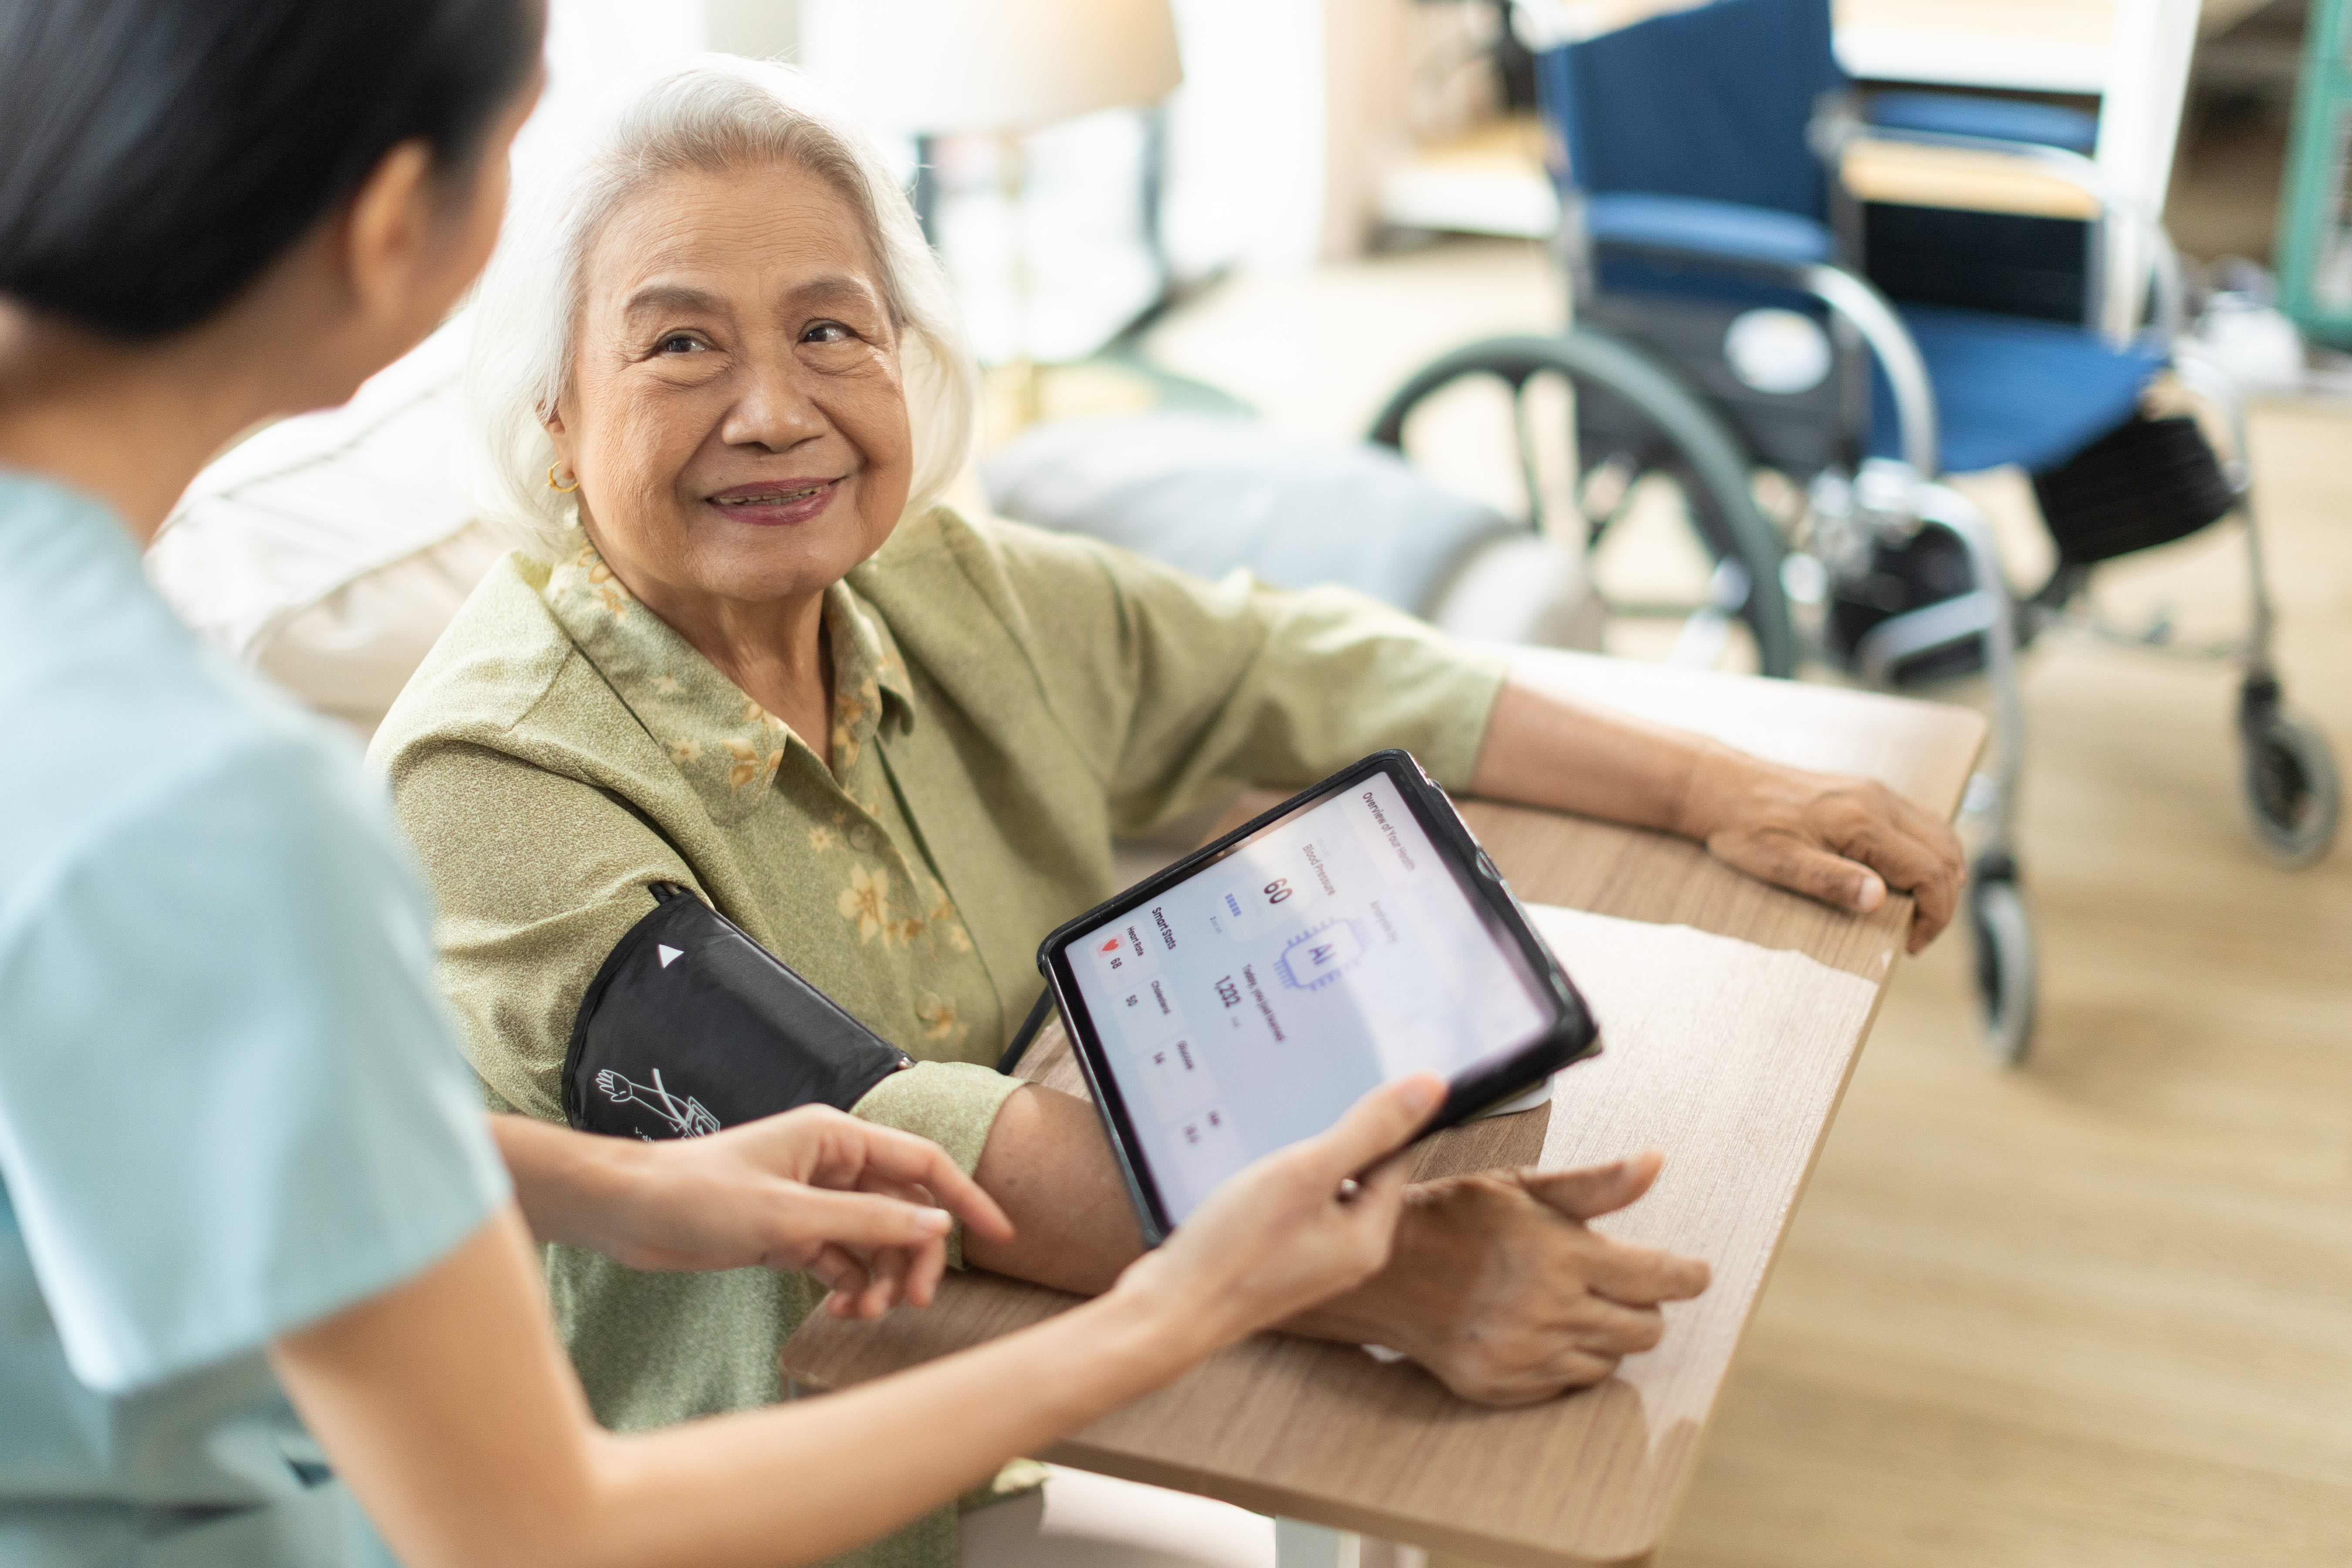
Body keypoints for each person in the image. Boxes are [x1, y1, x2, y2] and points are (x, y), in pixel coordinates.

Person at [371, 54, 1963, 1558]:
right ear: (557, 418)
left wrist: (1712, 783)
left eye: (831, 332)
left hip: (1008, 1387)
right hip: (739, 1503)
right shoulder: (491, 776)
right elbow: (862, 1126)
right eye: (679, 345)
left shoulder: (935, 584)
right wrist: (1386, 1271)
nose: (777, 408)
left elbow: (1276, 660)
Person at [0, 5, 1464, 1566]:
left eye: (832, 329)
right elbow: (529, 1532)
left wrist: (606, 1188)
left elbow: (114, 1129)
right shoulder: (226, 801)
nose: (773, 406)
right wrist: (1177, 1308)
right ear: (390, 230)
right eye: (512, 151)